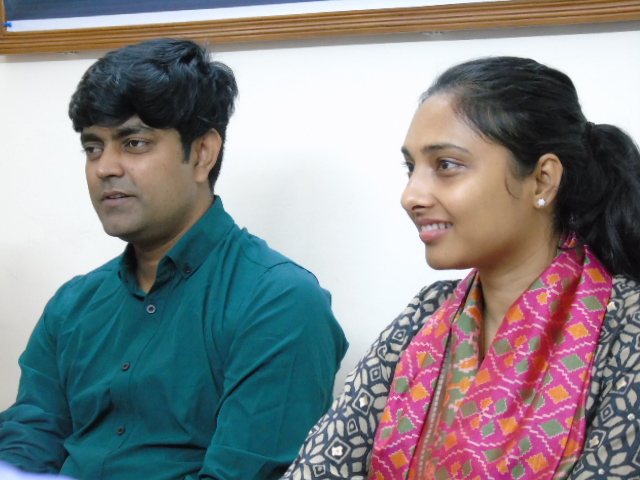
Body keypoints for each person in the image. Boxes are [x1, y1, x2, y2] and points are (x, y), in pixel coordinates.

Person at [0, 39, 348, 480]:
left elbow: (243, 473)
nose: (105, 167)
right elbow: (28, 441)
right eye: (93, 148)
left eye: (134, 143)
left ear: (202, 153)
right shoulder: (73, 305)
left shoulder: (279, 302)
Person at [282, 56, 640, 480]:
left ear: (542, 179)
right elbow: (320, 466)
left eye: (446, 165)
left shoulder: (626, 324)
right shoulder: (426, 315)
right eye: (411, 168)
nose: (411, 196)